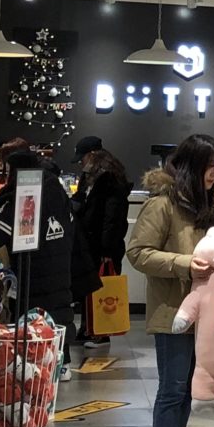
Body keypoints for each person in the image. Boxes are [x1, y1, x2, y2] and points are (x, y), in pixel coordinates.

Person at [126, 133, 214, 427]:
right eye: (208, 165)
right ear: (191, 165)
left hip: (210, 314)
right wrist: (184, 264)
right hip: (172, 310)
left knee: (189, 388)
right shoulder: (163, 203)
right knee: (172, 388)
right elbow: (138, 252)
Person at [0, 140, 93, 370]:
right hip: (61, 270)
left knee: (33, 320)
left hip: (32, 274)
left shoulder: (20, 197)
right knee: (57, 313)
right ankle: (61, 362)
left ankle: (35, 368)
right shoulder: (57, 192)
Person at [73, 140, 132, 347]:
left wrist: (107, 249)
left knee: (101, 289)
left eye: (82, 158)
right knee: (89, 287)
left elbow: (112, 217)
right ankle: (89, 328)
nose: (80, 163)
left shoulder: (109, 179)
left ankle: (101, 332)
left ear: (92, 155)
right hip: (91, 243)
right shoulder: (92, 176)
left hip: (103, 246)